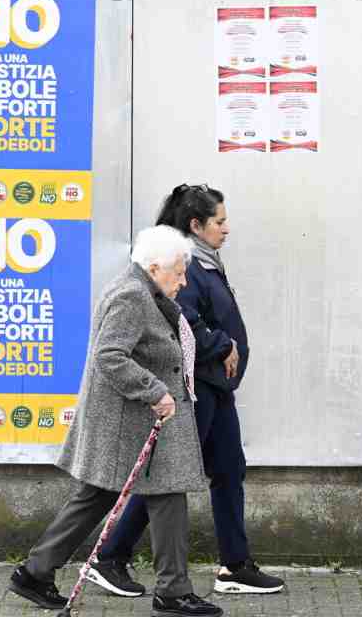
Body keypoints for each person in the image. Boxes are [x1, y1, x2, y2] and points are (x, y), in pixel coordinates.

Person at [8, 225, 224, 617]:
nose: (183, 280)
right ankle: (172, 592)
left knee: (106, 496)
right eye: (178, 272)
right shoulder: (132, 296)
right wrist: (154, 390)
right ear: (155, 267)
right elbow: (109, 355)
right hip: (131, 421)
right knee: (156, 494)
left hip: (130, 422)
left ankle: (36, 572)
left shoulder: (142, 290)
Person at [86, 184, 285, 596]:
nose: (227, 229)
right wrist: (223, 344)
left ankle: (234, 565)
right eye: (220, 221)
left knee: (228, 469)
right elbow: (182, 321)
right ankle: (110, 556)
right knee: (169, 479)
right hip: (198, 387)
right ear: (196, 225)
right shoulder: (189, 265)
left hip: (216, 386)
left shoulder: (207, 262)